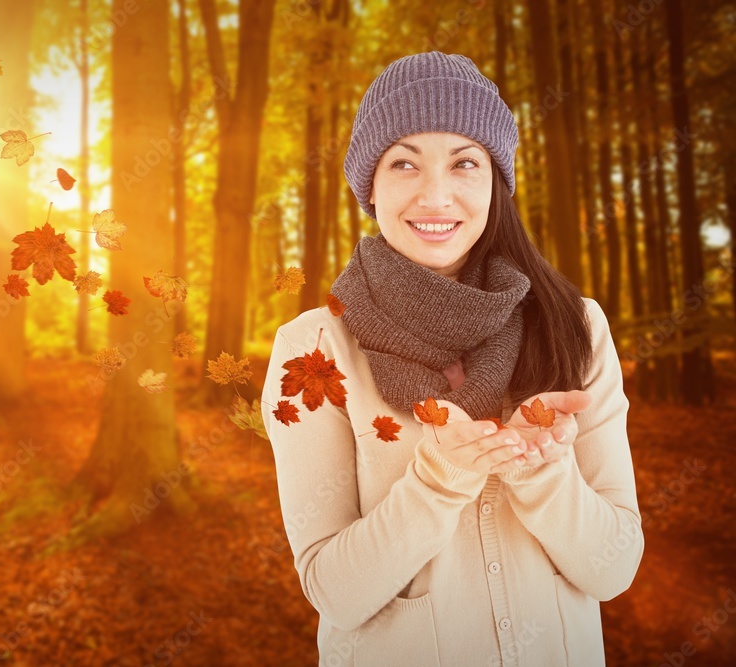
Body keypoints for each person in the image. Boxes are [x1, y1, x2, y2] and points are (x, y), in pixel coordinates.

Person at [260, 51, 644, 666]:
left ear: (495, 179)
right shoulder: (312, 351)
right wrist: (438, 482)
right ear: (370, 185)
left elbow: (615, 569)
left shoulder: (576, 327)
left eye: (464, 162)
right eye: (404, 163)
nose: (435, 195)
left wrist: (541, 471)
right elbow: (333, 589)